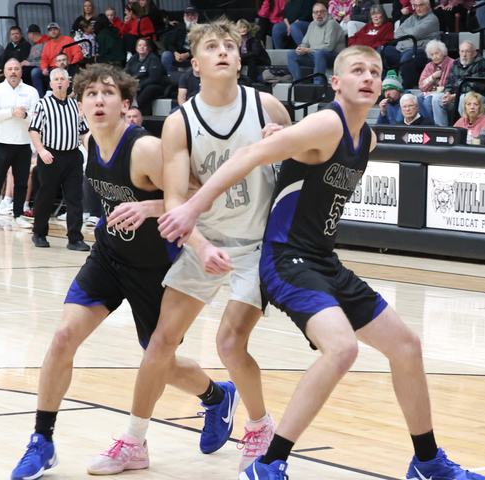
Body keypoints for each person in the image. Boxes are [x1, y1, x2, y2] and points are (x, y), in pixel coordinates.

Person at [157, 45, 485, 480]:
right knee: (342, 348)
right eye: (357, 70)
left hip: (322, 259)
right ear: (336, 83)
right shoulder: (326, 123)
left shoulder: (366, 138)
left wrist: (288, 135)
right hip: (285, 258)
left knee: (406, 346)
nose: (368, 77)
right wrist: (191, 207)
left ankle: (427, 462)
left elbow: (301, 155)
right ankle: (269, 463)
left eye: (375, 71)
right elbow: (246, 157)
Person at [10, 63, 227, 480]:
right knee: (62, 337)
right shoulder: (89, 141)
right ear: (79, 105)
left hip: (155, 268)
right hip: (109, 257)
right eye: (90, 94)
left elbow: (202, 195)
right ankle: (42, 440)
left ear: (126, 104)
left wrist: (150, 206)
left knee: (160, 361)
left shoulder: (144, 149)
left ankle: (217, 397)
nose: (98, 100)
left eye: (108, 93)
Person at [119, 18, 292, 475]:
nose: (222, 52)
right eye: (211, 47)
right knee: (160, 343)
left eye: (229, 46)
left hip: (257, 246)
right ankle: (134, 441)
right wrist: (200, 245)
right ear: (194, 65)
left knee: (230, 345)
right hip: (206, 243)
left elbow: (300, 174)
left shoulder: (267, 107)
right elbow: (177, 200)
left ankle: (260, 426)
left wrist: (288, 148)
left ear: (239, 58)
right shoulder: (180, 122)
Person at [28, 68, 90, 251]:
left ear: (69, 82)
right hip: (50, 156)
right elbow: (34, 130)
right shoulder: (43, 104)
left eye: (63, 79)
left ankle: (75, 238)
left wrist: (94, 154)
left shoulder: (76, 105)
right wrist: (41, 151)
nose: (60, 82)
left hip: (73, 157)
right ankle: (39, 233)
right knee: (45, 197)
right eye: (56, 79)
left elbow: (84, 132)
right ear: (51, 84)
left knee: (75, 199)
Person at [0, 59, 39, 228]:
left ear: (21, 71)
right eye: (10, 69)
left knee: (21, 182)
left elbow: (37, 118)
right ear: (4, 72)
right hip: (0, 142)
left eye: (16, 68)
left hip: (23, 144)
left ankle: (19, 214)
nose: (13, 72)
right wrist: (11, 112)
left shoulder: (31, 92)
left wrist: (25, 115)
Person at [379, 0, 441, 89]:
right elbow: (397, 33)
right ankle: (384, 84)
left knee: (407, 58)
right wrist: (410, 36)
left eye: (421, 5)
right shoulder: (413, 17)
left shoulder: (432, 19)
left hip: (420, 50)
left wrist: (409, 35)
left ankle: (406, 88)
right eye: (415, 6)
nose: (418, 8)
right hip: (402, 49)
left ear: (428, 5)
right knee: (382, 50)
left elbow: (414, 34)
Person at [431, 41, 485, 126]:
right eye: (462, 51)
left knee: (464, 98)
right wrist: (447, 93)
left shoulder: (481, 63)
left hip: (481, 97)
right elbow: (449, 82)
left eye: (467, 51)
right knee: (437, 99)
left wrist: (453, 96)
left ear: (474, 53)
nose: (464, 55)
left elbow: (475, 88)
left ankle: (465, 128)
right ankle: (442, 130)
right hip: (457, 96)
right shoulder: (456, 63)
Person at [288, 3, 345, 85]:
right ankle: (297, 83)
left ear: (326, 13)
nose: (318, 14)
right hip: (316, 55)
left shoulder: (332, 24)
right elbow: (305, 43)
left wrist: (308, 50)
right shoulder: (312, 25)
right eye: (316, 12)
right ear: (313, 14)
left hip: (334, 57)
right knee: (291, 54)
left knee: (319, 53)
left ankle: (318, 84)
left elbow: (328, 47)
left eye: (321, 11)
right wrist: (300, 48)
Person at [33, 23, 84, 98]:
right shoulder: (47, 45)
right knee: (35, 72)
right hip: (53, 69)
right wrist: (44, 68)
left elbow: (78, 53)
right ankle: (40, 98)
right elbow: (44, 59)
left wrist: (71, 64)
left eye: (55, 29)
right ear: (48, 33)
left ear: (59, 30)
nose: (53, 32)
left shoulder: (68, 40)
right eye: (50, 30)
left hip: (68, 67)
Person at [125, 38, 164, 116]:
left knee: (149, 89)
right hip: (136, 84)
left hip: (152, 85)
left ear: (148, 48)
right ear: (136, 48)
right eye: (139, 45)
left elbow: (154, 78)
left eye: (144, 45)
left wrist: (138, 85)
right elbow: (126, 73)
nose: (142, 47)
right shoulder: (133, 58)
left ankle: (135, 109)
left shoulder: (153, 59)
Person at [417, 40, 454, 122]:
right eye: (432, 55)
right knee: (418, 99)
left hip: (445, 94)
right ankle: (423, 125)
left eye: (437, 53)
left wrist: (434, 92)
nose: (434, 57)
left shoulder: (452, 64)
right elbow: (421, 86)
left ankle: (432, 126)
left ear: (443, 52)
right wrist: (432, 77)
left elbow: (452, 85)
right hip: (430, 93)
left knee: (428, 100)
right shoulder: (429, 66)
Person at [161, 5, 199, 73]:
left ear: (197, 15)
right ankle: (172, 76)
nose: (190, 17)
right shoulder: (179, 27)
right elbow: (169, 43)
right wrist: (175, 53)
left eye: (192, 15)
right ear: (184, 16)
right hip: (179, 56)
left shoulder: (201, 29)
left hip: (194, 56)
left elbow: (201, 47)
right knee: (166, 55)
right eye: (187, 15)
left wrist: (187, 54)